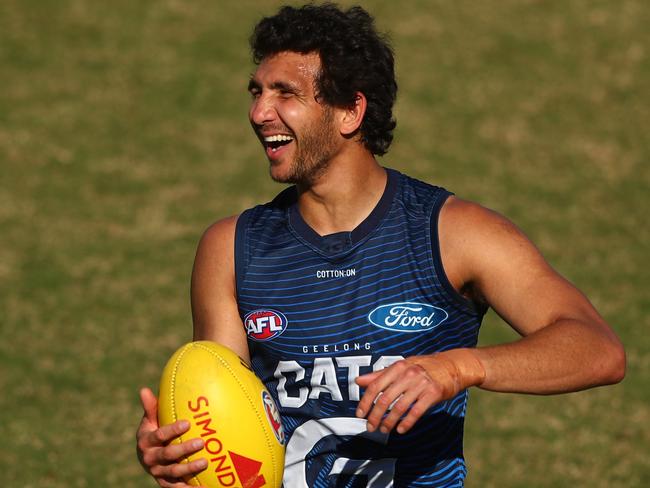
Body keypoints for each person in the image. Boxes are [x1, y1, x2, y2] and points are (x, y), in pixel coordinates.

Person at [136, 3, 626, 487]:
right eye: (257, 92)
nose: (260, 112)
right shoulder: (231, 248)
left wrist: (460, 367)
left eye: (286, 93)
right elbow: (221, 403)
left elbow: (597, 349)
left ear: (351, 110)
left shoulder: (454, 233)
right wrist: (180, 453)